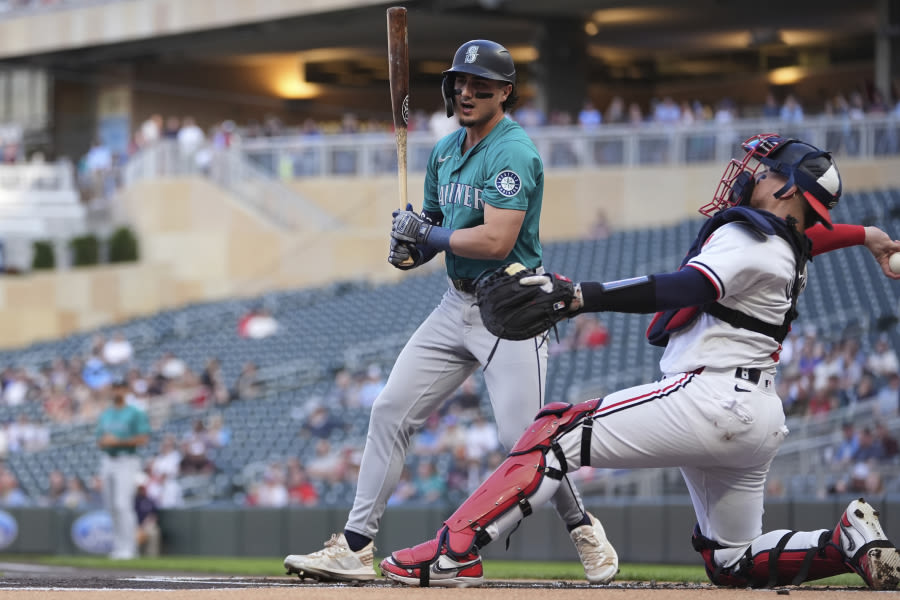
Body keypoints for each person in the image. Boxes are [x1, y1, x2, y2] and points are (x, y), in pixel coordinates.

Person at [379, 133, 900, 590]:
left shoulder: (750, 237)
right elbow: (811, 234)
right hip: (757, 416)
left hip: (708, 398)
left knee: (555, 432)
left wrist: (583, 295)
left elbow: (688, 285)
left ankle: (451, 552)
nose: (753, 175)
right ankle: (842, 543)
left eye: (766, 171)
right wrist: (865, 235)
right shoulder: (787, 244)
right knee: (731, 561)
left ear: (787, 189)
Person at [283, 39, 616, 585]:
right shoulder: (445, 151)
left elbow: (494, 238)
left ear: (504, 92)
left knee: (523, 444)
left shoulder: (513, 150)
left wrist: (431, 235)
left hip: (512, 307)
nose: (465, 91)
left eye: (480, 84)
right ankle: (354, 546)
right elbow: (436, 231)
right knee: (390, 409)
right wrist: (410, 246)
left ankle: (581, 524)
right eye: (459, 82)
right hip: (456, 303)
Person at [96, 379, 150, 560]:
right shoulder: (106, 414)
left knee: (122, 504)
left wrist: (117, 441)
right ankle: (119, 547)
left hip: (127, 459)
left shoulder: (135, 412)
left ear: (126, 390)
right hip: (108, 460)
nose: (117, 391)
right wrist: (105, 442)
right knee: (111, 506)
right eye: (114, 388)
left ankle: (130, 547)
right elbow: (99, 440)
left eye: (120, 388)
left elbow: (143, 438)